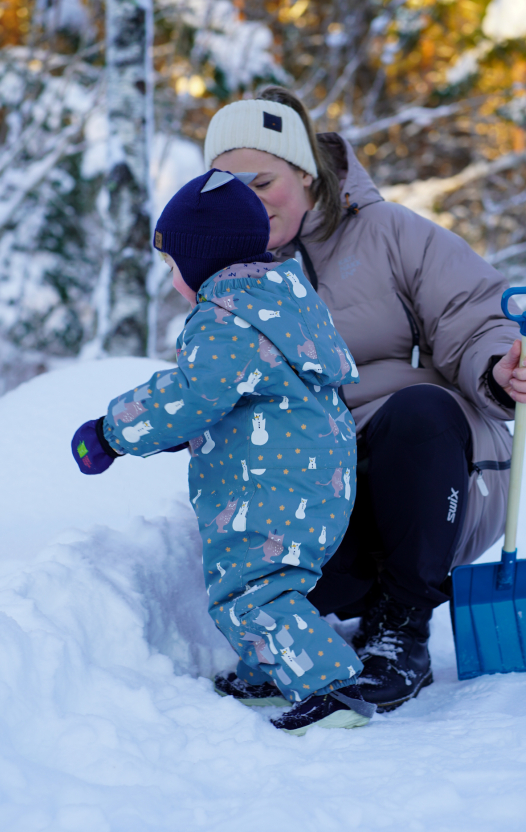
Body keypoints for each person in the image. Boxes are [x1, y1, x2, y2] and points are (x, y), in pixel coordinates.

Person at [203, 87, 526, 712]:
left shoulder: (389, 232)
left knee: (422, 413)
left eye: (262, 181)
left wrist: (498, 370)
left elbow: (471, 316)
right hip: (312, 493)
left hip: (424, 476)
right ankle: (287, 627)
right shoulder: (227, 275)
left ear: (306, 173)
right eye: (229, 188)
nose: (248, 202)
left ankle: (401, 630)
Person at [71, 167, 378, 734]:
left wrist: (112, 432)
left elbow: (193, 392)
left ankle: (328, 688)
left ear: (202, 260)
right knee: (266, 586)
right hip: (315, 481)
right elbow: (247, 396)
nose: (171, 280)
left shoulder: (226, 318)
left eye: (173, 266)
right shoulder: (283, 302)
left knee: (250, 592)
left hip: (274, 488)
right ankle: (269, 674)